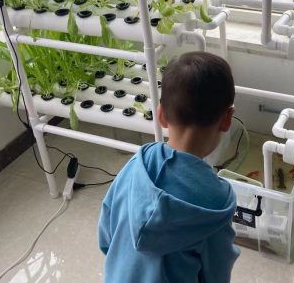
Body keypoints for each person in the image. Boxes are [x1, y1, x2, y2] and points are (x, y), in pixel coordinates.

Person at [98, 51, 240, 283]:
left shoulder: (138, 164)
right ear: (227, 119)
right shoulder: (217, 201)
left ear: (161, 115)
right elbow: (216, 274)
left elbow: (106, 235)